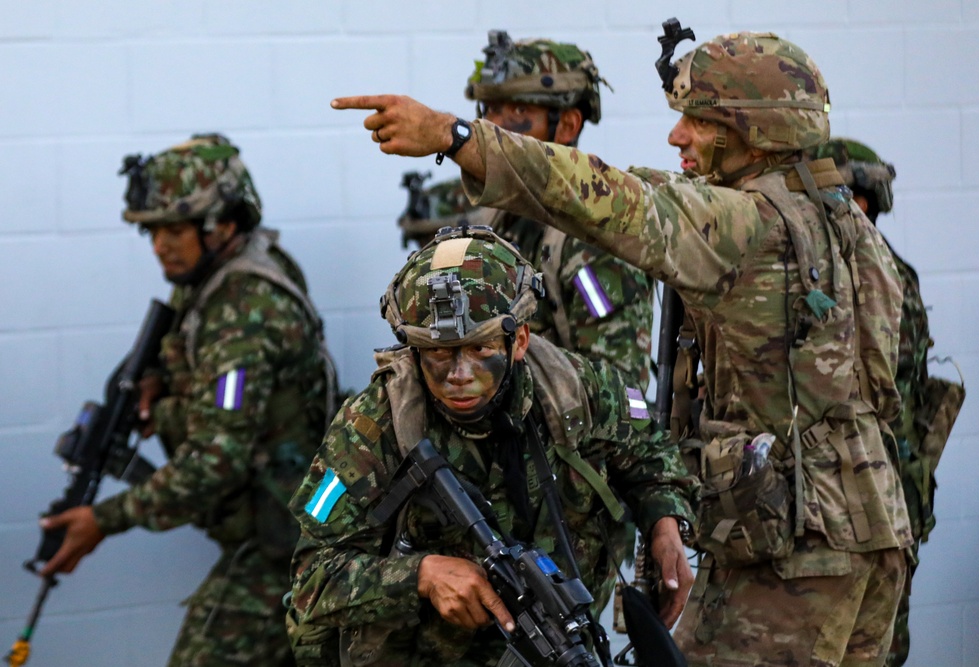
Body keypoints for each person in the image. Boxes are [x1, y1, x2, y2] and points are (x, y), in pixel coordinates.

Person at [331, 25, 913, 667]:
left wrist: (456, 136)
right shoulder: (844, 223)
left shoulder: (744, 225)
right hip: (875, 526)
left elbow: (607, 197)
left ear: (751, 131)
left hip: (796, 550)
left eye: (696, 120)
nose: (677, 136)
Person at [286, 225, 697, 665]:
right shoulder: (371, 427)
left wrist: (665, 525)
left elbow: (652, 457)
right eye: (439, 353)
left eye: (480, 348)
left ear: (518, 340)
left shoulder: (582, 393)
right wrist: (421, 575)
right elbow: (310, 580)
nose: (459, 374)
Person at [38, 133, 338, 666]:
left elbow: (215, 460)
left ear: (223, 224)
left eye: (174, 230)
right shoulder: (217, 274)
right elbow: (199, 364)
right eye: (152, 231)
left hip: (295, 542)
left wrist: (104, 519)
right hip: (281, 523)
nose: (160, 245)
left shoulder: (244, 311)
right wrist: (162, 382)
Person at [397, 31, 656, 392]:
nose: (493, 127)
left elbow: (619, 392)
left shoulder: (591, 242)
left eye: (519, 111)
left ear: (567, 125)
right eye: (490, 111)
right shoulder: (496, 217)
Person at [811, 137, 965, 667]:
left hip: (876, 499)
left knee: (872, 648)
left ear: (862, 203)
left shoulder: (877, 278)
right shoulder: (846, 272)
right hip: (865, 497)